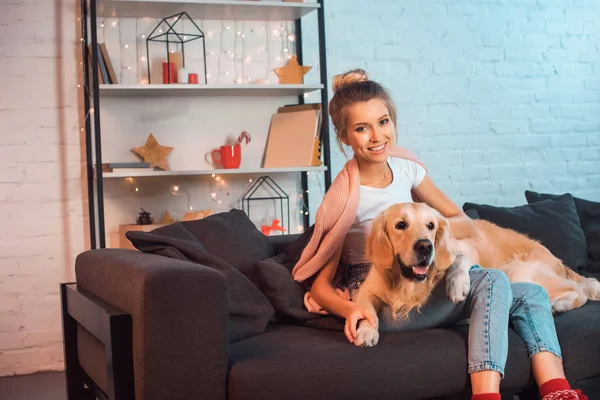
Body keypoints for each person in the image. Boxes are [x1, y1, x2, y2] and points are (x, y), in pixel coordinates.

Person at [291, 69, 586, 400]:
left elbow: (463, 222)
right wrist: (352, 311)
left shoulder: (407, 170)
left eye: (383, 122)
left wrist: (438, 229)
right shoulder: (344, 197)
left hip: (428, 282)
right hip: (382, 295)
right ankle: (486, 396)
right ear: (345, 136)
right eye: (362, 128)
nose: (377, 136)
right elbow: (320, 284)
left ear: (394, 122)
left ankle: (557, 390)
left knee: (530, 293)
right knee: (493, 280)